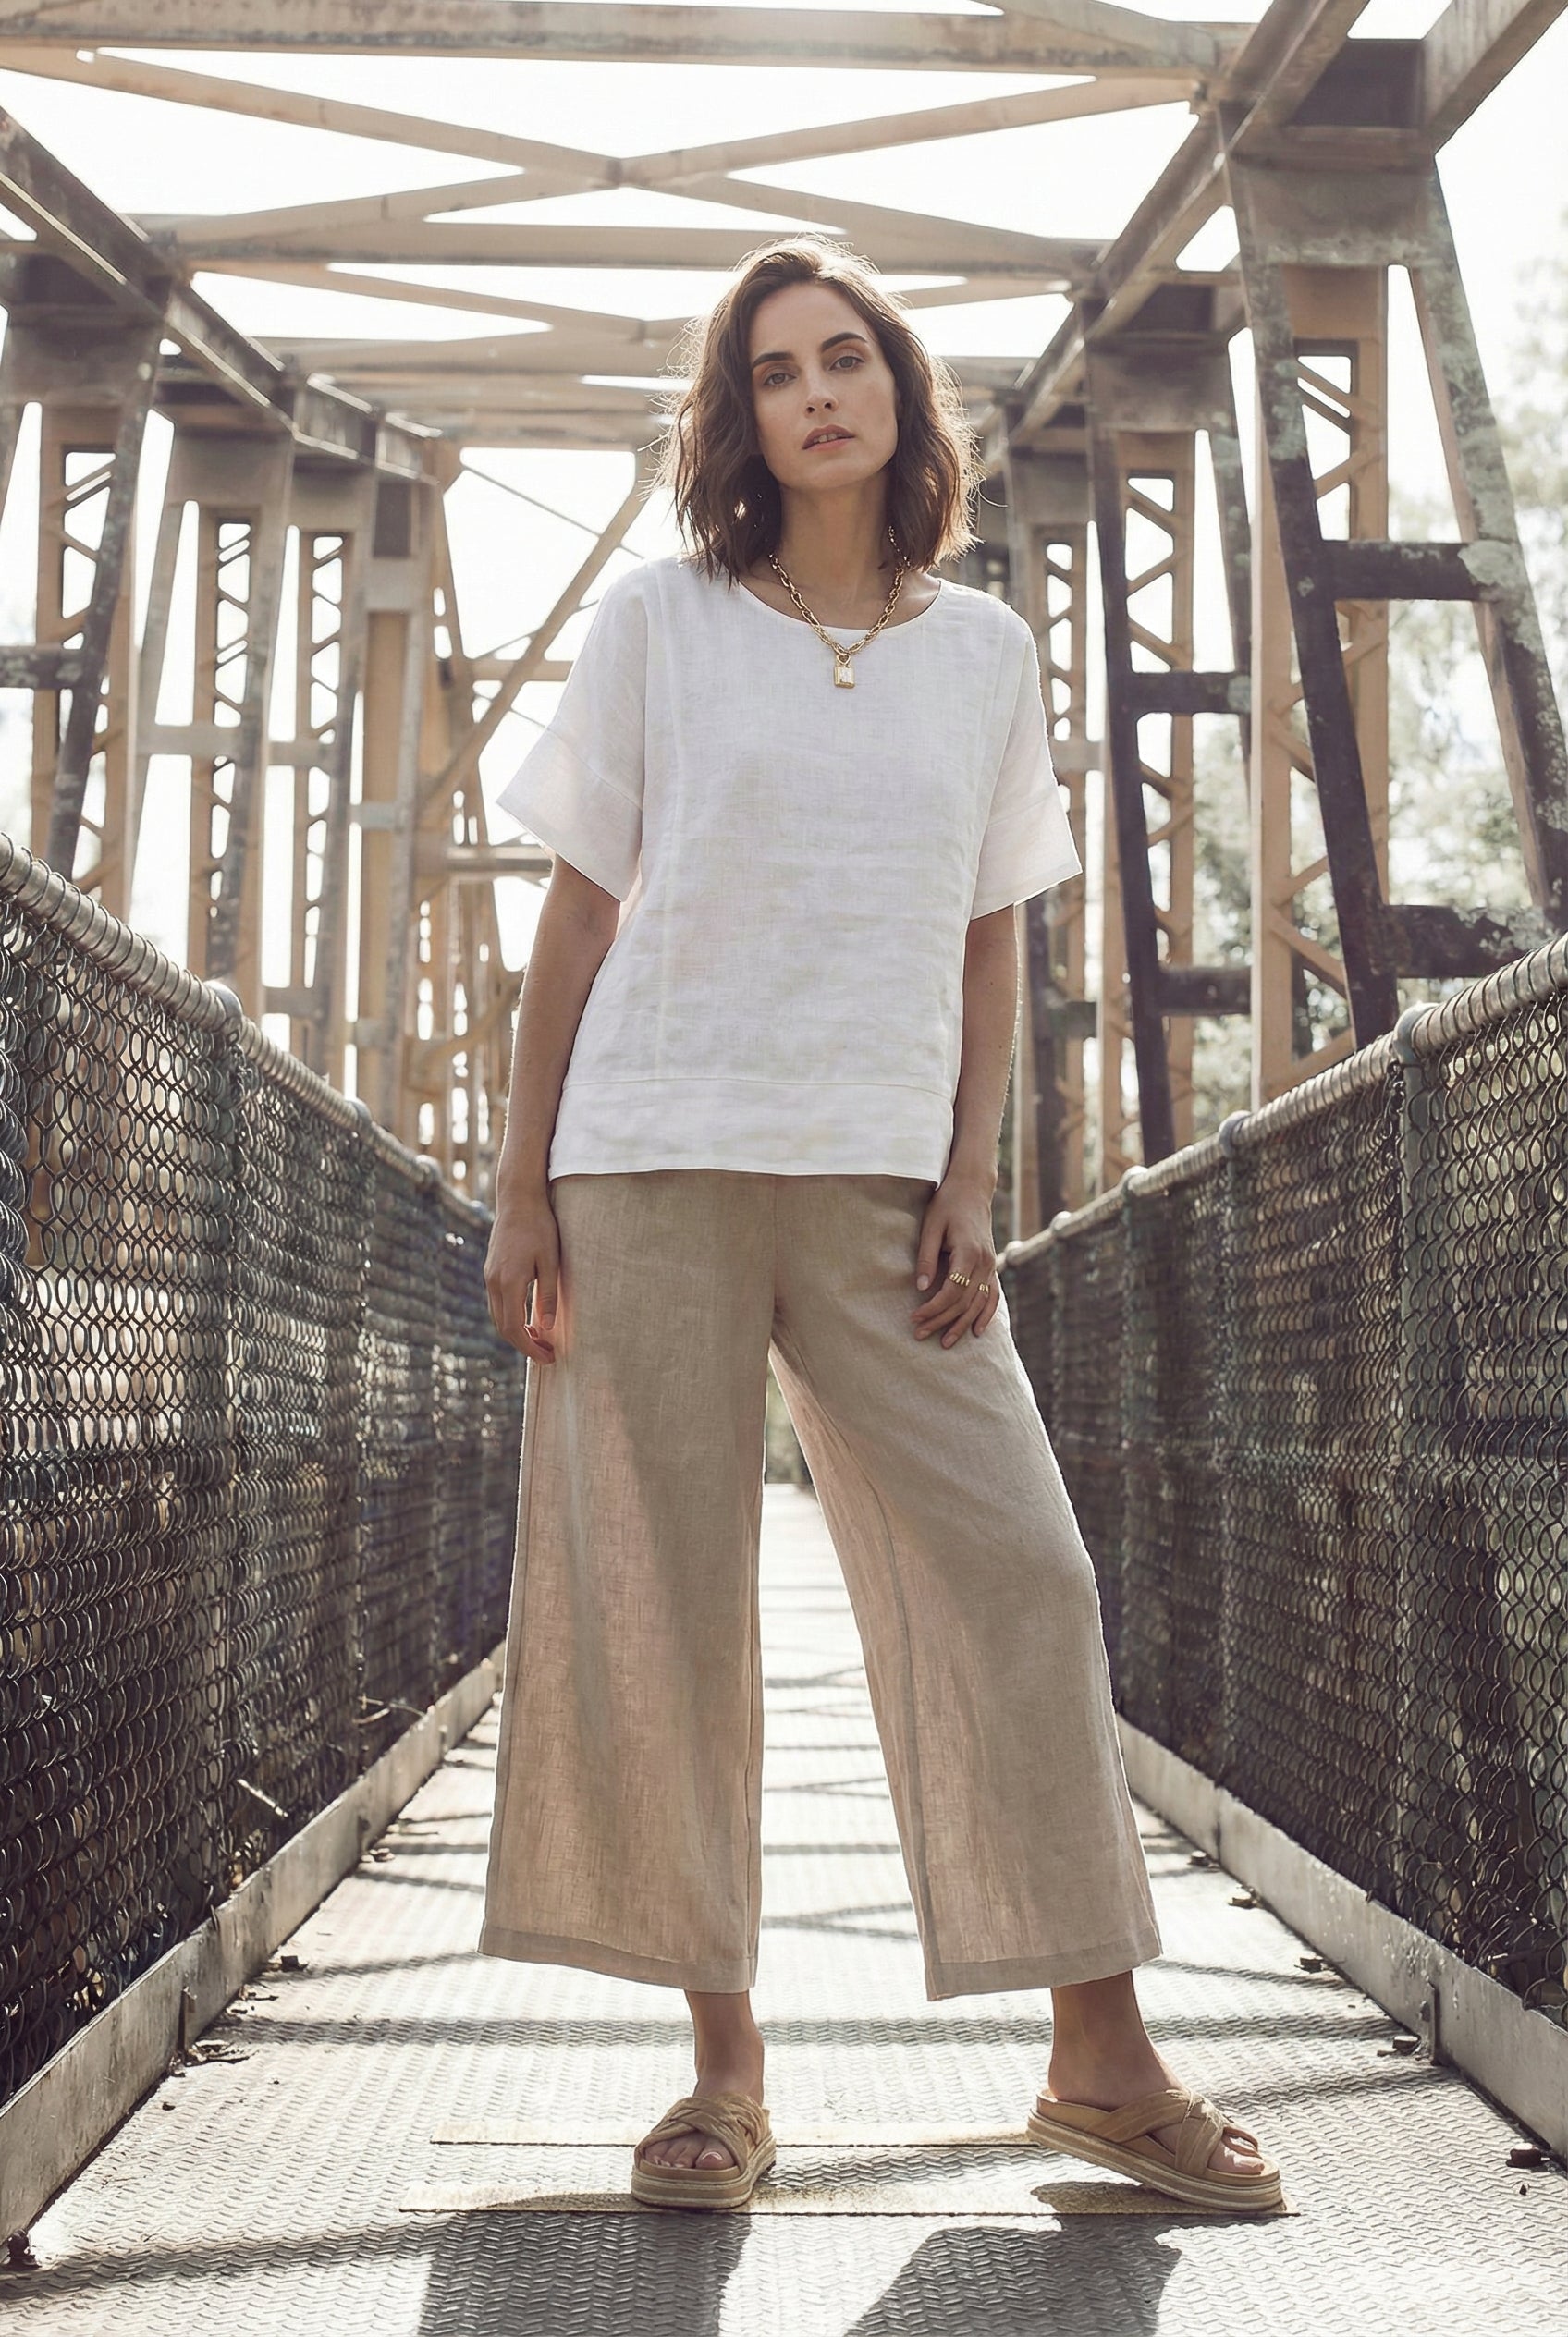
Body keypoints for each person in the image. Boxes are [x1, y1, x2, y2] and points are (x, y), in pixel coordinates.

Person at [480, 237, 1281, 2216]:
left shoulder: (984, 651)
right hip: (647, 1156)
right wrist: (517, 1187)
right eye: (772, 369)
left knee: (1020, 1572)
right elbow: (577, 916)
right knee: (675, 1614)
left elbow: (989, 936)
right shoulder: (662, 624)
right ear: (737, 413)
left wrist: (968, 1173)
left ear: (900, 397)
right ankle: (722, 2079)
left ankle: (1096, 2059)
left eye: (847, 359)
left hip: (870, 1182)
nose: (815, 392)